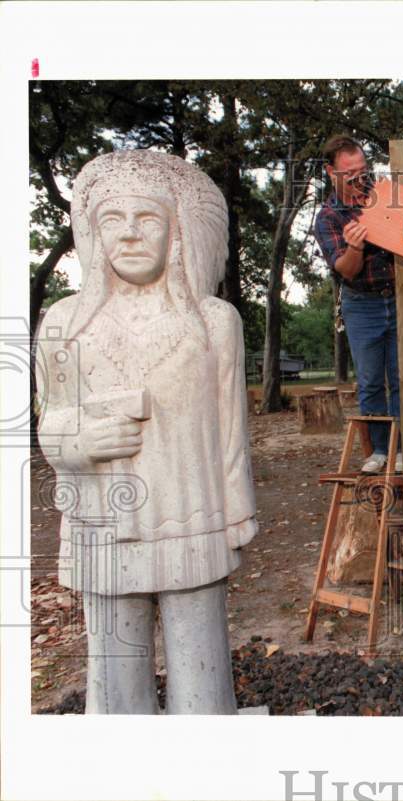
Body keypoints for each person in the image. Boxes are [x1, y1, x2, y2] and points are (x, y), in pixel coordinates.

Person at [36, 150, 256, 713]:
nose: (130, 233)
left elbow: (230, 431)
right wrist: (76, 442)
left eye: (148, 218)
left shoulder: (212, 322)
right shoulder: (64, 322)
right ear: (93, 233)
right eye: (113, 219)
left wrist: (237, 513)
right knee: (114, 677)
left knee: (199, 666)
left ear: (176, 231)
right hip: (102, 518)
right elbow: (51, 421)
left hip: (192, 512)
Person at [314, 134, 401, 473]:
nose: (359, 178)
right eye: (349, 173)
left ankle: (402, 449)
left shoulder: (384, 197)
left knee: (401, 379)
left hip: (399, 299)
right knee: (369, 382)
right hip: (360, 304)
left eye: (363, 170)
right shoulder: (327, 217)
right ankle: (380, 451)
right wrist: (356, 248)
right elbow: (347, 271)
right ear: (330, 172)